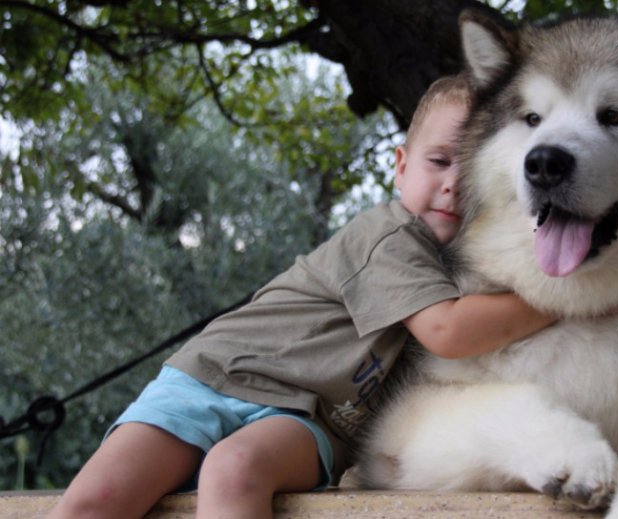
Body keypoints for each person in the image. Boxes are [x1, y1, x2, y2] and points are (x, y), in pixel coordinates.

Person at [47, 74, 559, 519]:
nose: (453, 184)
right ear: (401, 166)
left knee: (235, 467)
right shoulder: (388, 235)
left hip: (307, 420)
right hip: (216, 378)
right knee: (96, 501)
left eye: (472, 170)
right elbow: (447, 332)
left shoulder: (479, 265)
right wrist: (561, 297)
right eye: (440, 161)